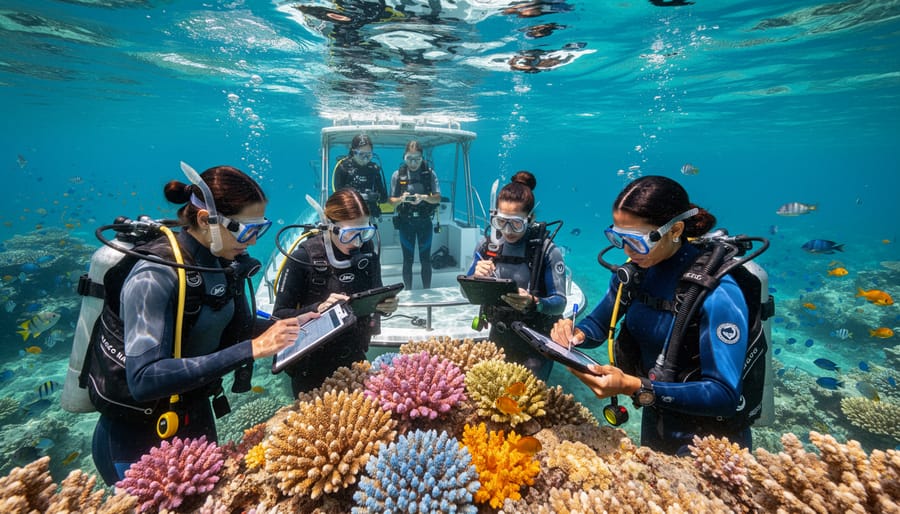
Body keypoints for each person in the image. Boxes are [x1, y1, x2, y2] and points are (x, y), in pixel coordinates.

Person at [92, 165, 309, 486]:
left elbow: (233, 323)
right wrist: (252, 349)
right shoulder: (154, 273)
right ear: (207, 219)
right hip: (138, 435)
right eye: (247, 230)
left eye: (259, 230)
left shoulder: (223, 265)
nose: (251, 242)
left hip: (195, 414)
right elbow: (143, 379)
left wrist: (288, 324)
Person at [549, 175, 749, 456]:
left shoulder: (717, 290)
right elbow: (598, 322)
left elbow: (724, 395)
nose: (628, 252)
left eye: (637, 241)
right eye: (618, 238)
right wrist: (575, 335)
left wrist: (634, 386)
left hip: (713, 444)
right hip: (656, 418)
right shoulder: (634, 275)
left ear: (675, 229)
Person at [273, 188, 399, 396]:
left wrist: (387, 307)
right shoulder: (303, 258)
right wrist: (318, 308)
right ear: (329, 226)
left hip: (355, 356)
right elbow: (279, 316)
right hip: (311, 366)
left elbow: (375, 293)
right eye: (350, 234)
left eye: (364, 232)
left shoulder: (367, 250)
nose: (358, 242)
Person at [466, 171, 566, 381]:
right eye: (501, 222)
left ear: (531, 219)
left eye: (516, 223)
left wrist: (534, 302)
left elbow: (559, 303)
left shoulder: (547, 251)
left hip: (536, 340)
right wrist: (475, 276)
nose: (508, 231)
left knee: (526, 398)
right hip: (499, 332)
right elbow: (466, 292)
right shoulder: (486, 246)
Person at [388, 140, 441, 289]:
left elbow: (437, 198)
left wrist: (423, 197)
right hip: (406, 223)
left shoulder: (429, 173)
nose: (413, 163)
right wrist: (401, 199)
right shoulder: (397, 175)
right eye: (409, 159)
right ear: (404, 157)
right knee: (407, 260)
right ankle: (409, 291)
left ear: (422, 158)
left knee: (426, 260)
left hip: (425, 222)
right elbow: (391, 201)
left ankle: (427, 290)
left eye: (417, 159)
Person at [332, 133, 389, 219]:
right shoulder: (343, 167)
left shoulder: (374, 169)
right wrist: (360, 196)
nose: (365, 159)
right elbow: (337, 195)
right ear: (354, 152)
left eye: (368, 155)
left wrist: (375, 196)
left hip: (369, 215)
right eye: (362, 155)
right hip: (349, 215)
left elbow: (384, 197)